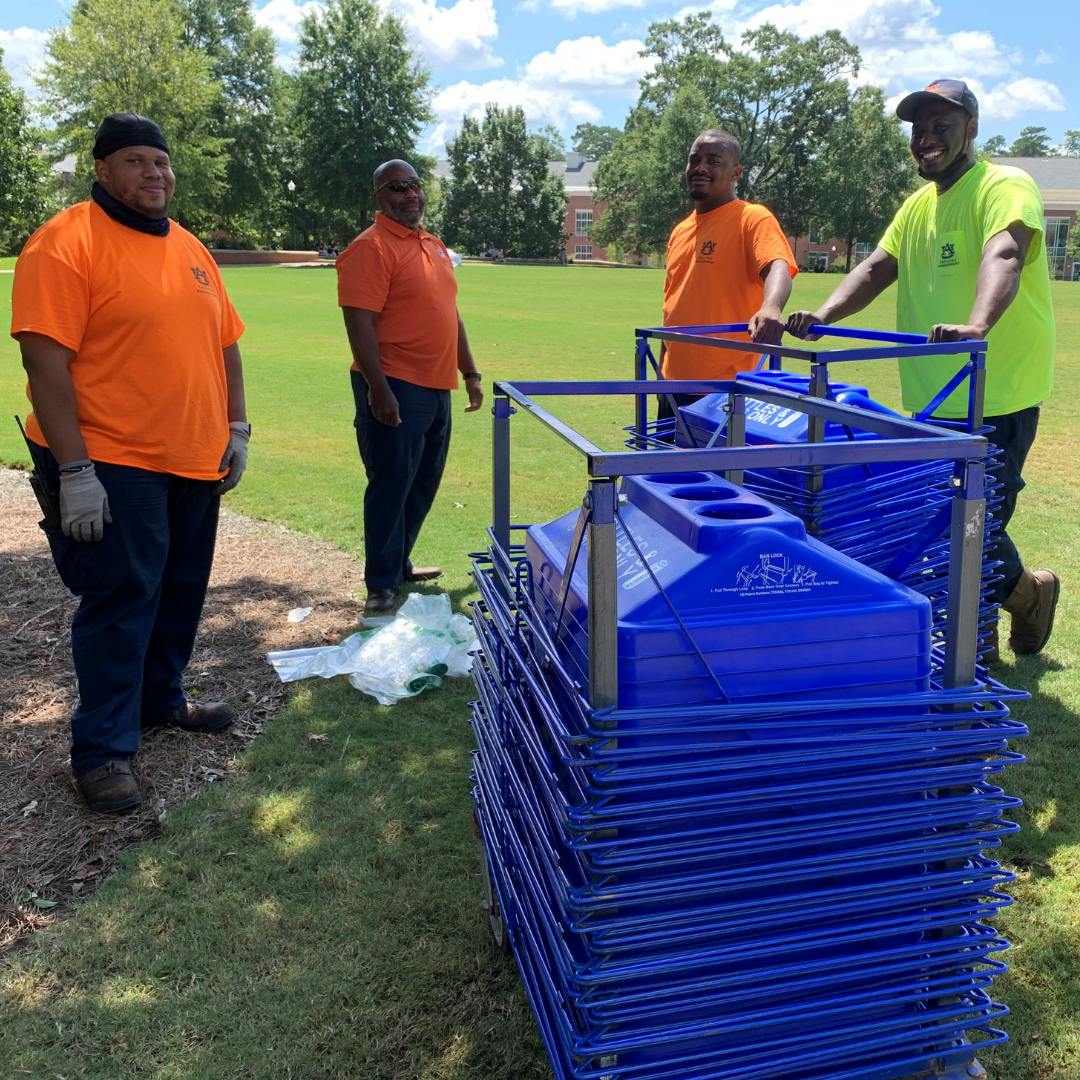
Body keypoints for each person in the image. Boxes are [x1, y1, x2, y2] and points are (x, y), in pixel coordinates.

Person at [10, 113, 250, 814]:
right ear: (104, 170)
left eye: (163, 163)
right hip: (113, 455)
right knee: (122, 599)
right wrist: (77, 471)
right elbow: (44, 360)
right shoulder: (65, 242)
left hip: (193, 452)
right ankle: (102, 751)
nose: (156, 174)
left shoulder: (190, 248)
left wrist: (236, 426)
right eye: (139, 162)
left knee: (180, 587)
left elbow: (226, 344)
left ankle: (159, 701)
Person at [787, 79, 1058, 661]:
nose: (927, 138)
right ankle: (1028, 595)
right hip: (935, 396)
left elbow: (1005, 252)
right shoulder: (916, 207)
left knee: (970, 525)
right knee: (947, 516)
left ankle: (970, 647)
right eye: (919, 129)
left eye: (941, 125)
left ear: (971, 129)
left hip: (996, 391)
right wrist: (825, 315)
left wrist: (977, 323)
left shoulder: (1004, 185)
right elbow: (877, 269)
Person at [337, 159, 483, 615]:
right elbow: (358, 322)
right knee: (391, 484)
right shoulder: (371, 247)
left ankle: (399, 563)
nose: (411, 194)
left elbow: (449, 313)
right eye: (398, 187)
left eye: (416, 185)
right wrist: (379, 389)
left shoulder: (433, 245)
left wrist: (470, 372)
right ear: (379, 196)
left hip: (436, 386)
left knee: (422, 483)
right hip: (395, 383)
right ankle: (380, 583)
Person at [659, 129, 798, 420]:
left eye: (713, 161)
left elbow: (778, 266)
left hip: (727, 390)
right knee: (665, 466)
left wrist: (771, 307)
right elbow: (672, 306)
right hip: (672, 387)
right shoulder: (680, 230)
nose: (700, 168)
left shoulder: (751, 218)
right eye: (694, 160)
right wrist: (660, 372)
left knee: (719, 468)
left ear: (736, 172)